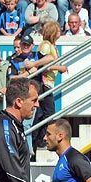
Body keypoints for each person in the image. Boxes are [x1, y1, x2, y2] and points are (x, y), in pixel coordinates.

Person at [22, 21, 68, 154]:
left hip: (48, 83)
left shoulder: (52, 45)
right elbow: (46, 61)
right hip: (43, 83)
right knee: (49, 114)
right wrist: (60, 67)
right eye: (58, 30)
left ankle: (37, 139)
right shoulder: (46, 45)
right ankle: (42, 140)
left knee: (42, 115)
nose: (60, 33)